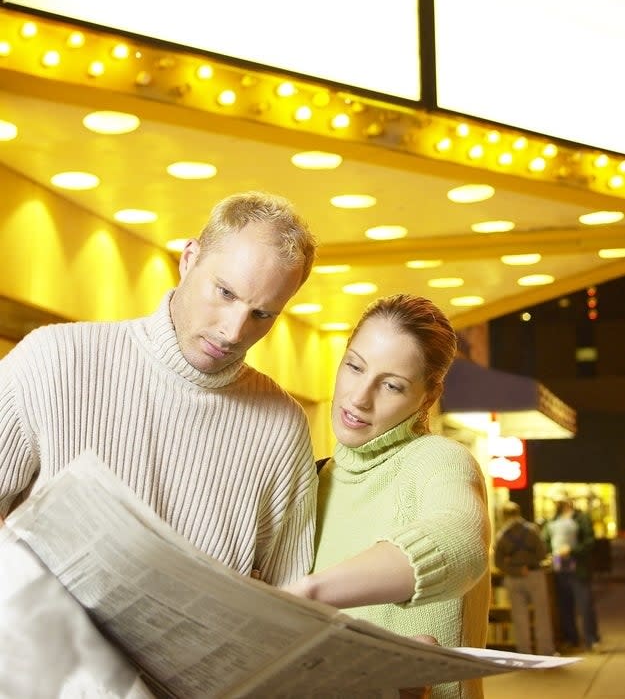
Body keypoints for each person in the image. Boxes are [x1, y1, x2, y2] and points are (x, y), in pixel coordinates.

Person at [0, 190, 319, 587]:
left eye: (262, 314)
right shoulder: (53, 359)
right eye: (225, 293)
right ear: (189, 260)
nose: (234, 331)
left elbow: (289, 593)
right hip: (48, 642)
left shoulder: (283, 426)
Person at [284, 294, 491, 699]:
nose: (360, 398)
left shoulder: (438, 460)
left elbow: (460, 542)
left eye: (392, 385)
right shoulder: (314, 478)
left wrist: (309, 592)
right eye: (355, 366)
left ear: (427, 397)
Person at [493, 501, 556, 656]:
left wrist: (514, 567)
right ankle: (545, 651)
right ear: (519, 513)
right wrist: (528, 564)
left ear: (503, 516)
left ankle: (524, 652)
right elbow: (542, 554)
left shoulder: (501, 535)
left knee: (519, 617)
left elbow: (498, 563)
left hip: (513, 578)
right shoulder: (532, 530)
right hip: (534, 575)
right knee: (542, 614)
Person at [543, 493, 601, 653]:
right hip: (558, 566)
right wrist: (549, 552)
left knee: (585, 604)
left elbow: (590, 541)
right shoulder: (552, 520)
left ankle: (592, 639)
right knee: (564, 606)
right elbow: (546, 540)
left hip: (578, 566)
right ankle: (571, 638)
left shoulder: (581, 518)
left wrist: (572, 550)